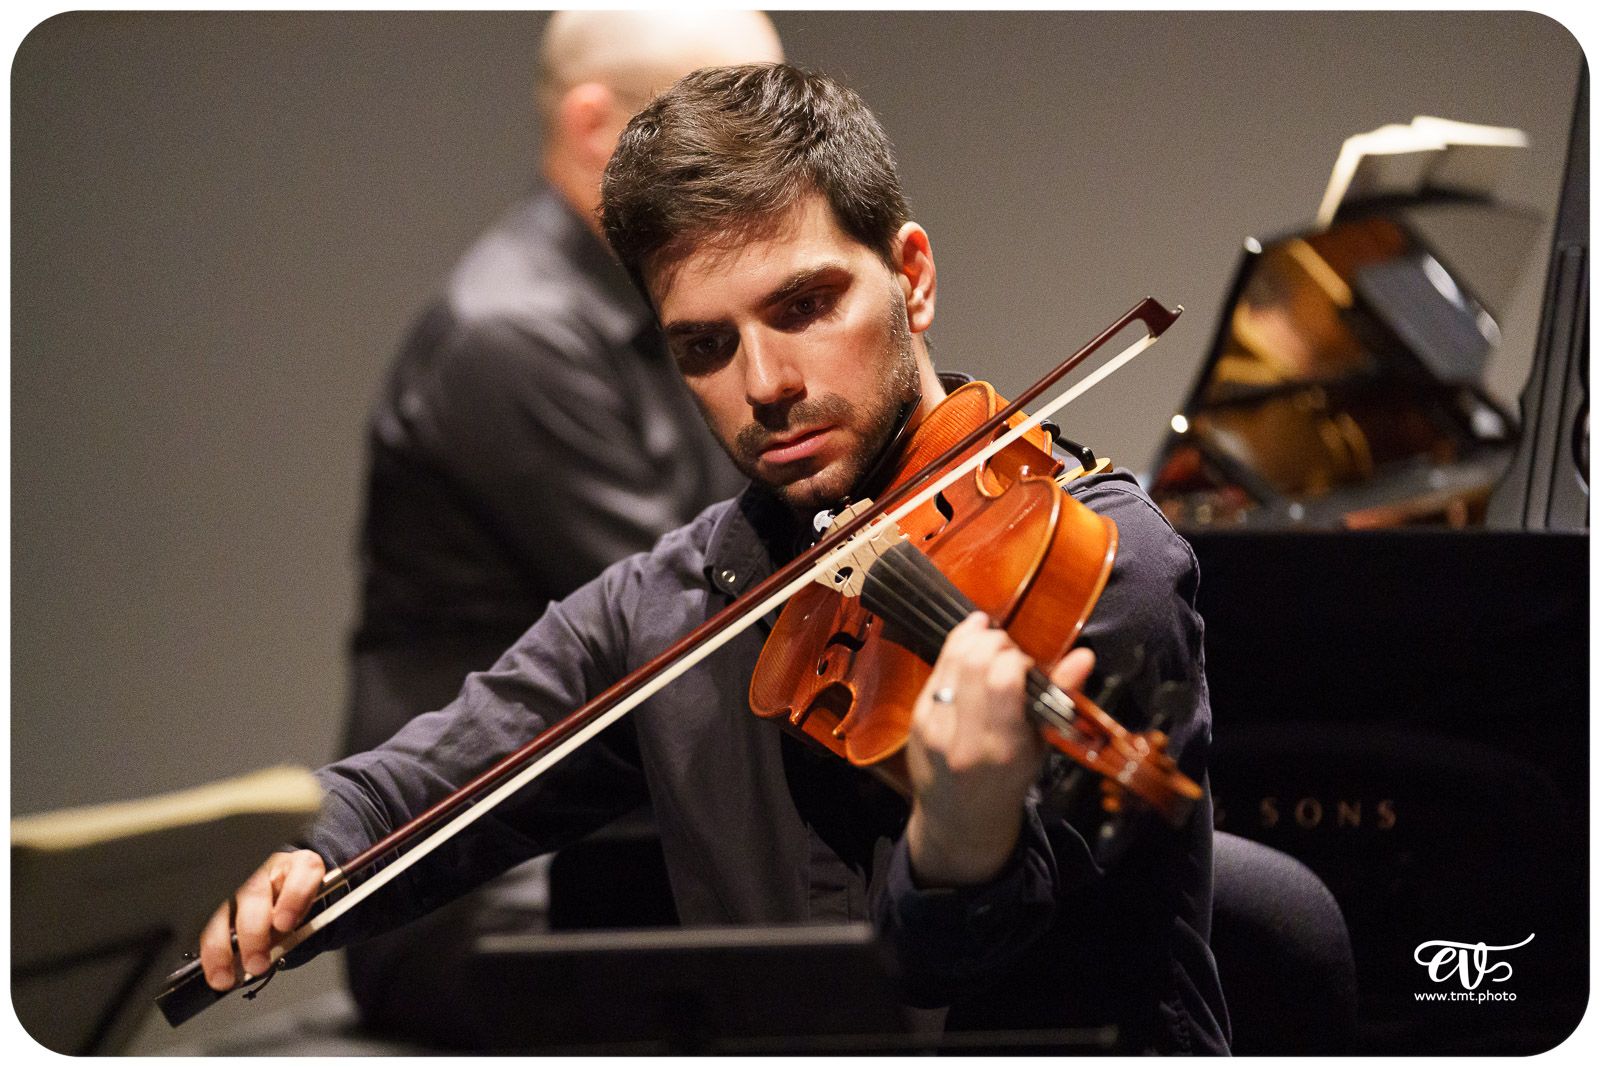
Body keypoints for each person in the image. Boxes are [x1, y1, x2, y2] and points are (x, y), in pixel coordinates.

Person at [203, 64, 1228, 1054]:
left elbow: (953, 974)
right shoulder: (683, 597)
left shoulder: (1103, 567)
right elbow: (413, 786)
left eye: (804, 307)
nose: (766, 382)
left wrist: (963, 849)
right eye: (704, 346)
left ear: (910, 278)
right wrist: (312, 853)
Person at [339, 12, 781, 1043]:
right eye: (732, 121)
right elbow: (694, 625)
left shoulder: (679, 304)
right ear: (596, 127)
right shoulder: (511, 337)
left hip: (617, 845)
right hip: (484, 887)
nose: (776, 161)